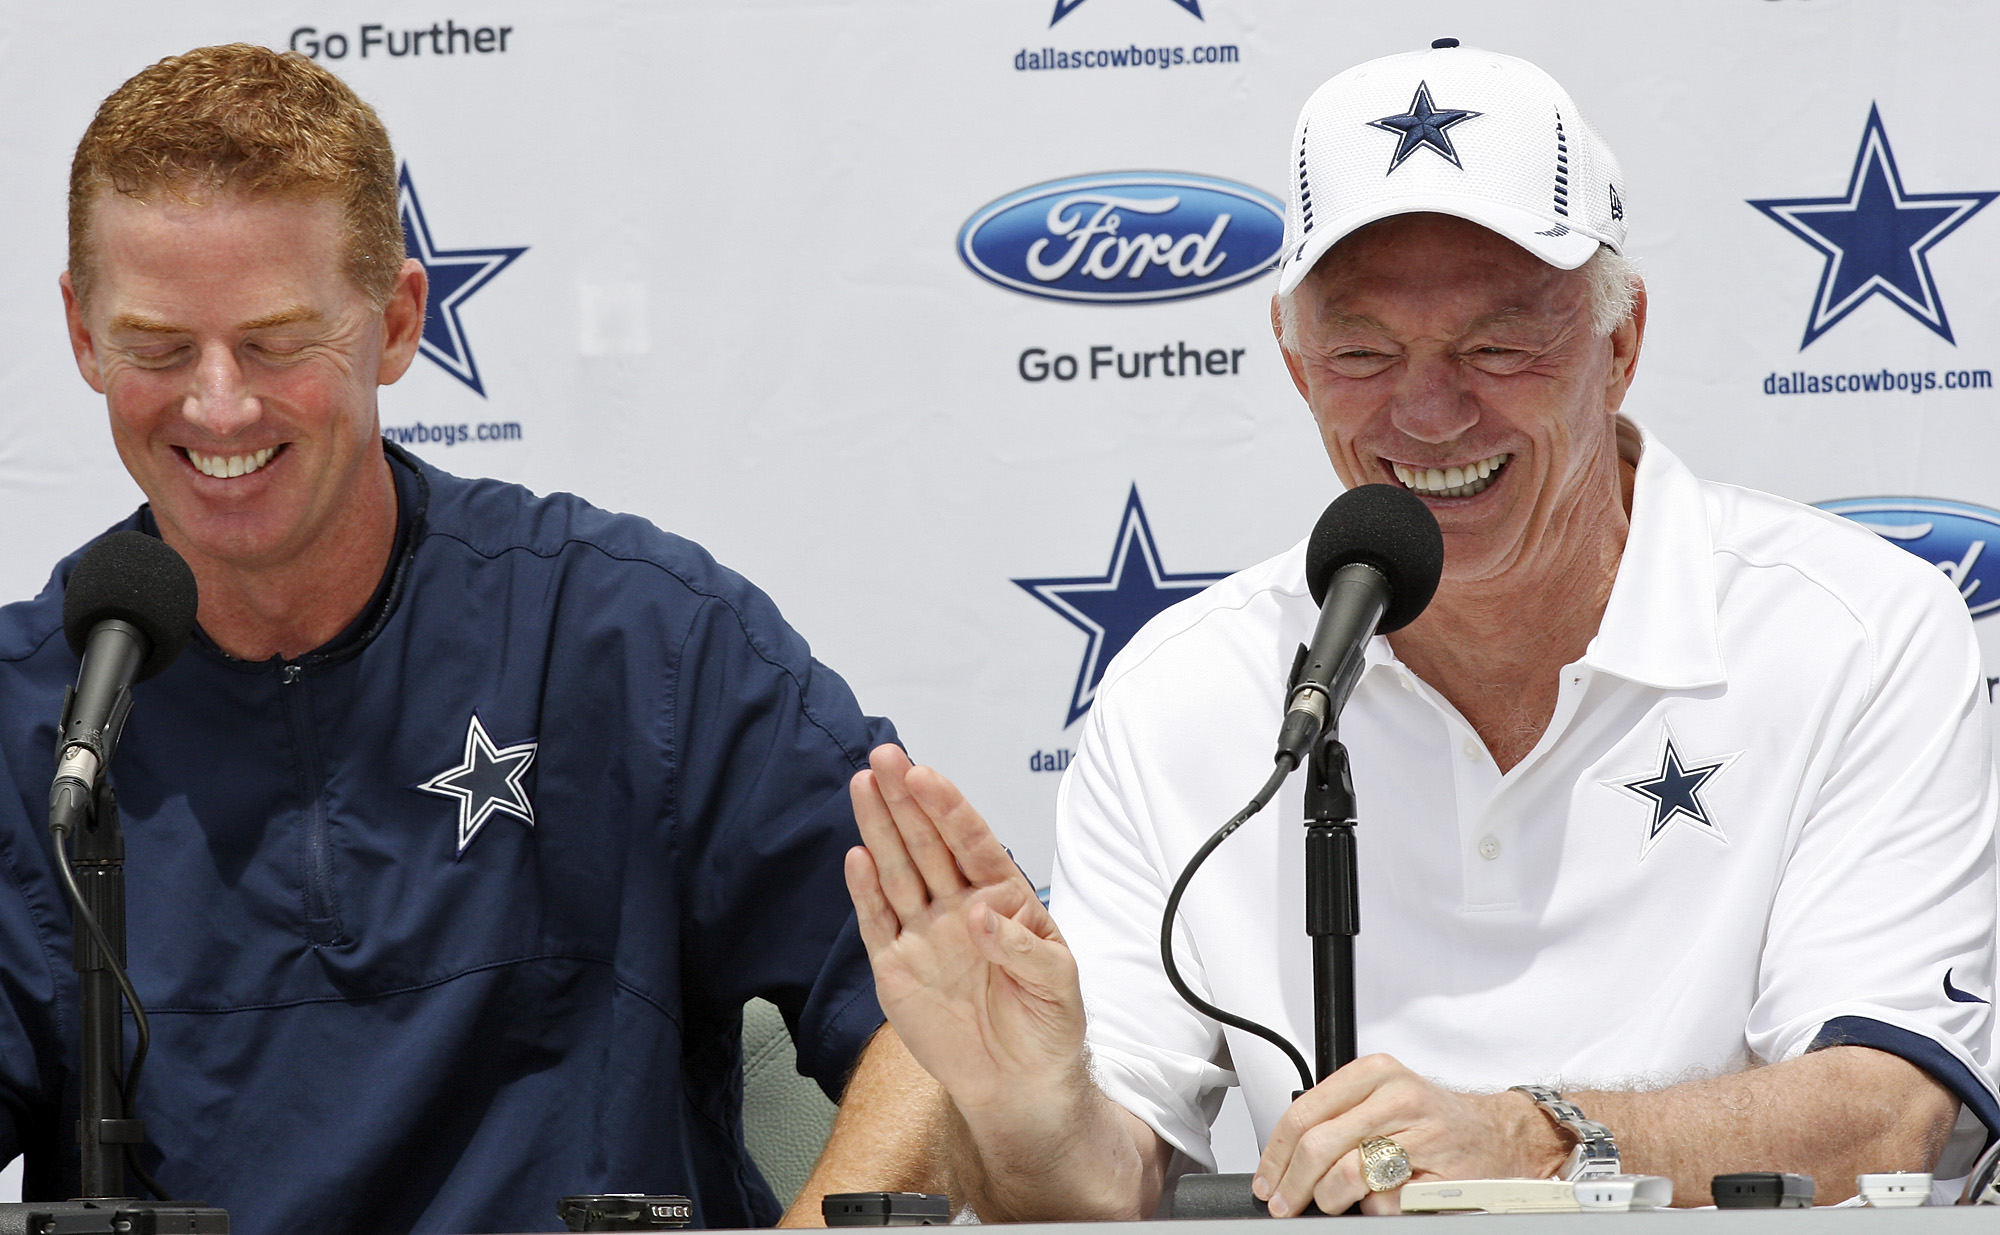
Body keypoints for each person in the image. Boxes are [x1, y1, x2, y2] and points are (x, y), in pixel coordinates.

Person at [842, 40, 2000, 1216]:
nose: (1429, 411)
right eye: (1360, 352)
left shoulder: (1857, 633)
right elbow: (1093, 1185)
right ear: (1294, 366)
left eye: (1495, 345)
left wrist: (1534, 1139)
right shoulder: (1185, 691)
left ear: (1619, 345)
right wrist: (1022, 1107)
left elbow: (1887, 1109)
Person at [0, 42, 928, 1233]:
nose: (219, 403)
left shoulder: (632, 637)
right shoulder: (40, 718)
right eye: (158, 347)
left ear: (395, 323)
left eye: (279, 342)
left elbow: (939, 1012)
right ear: (81, 335)